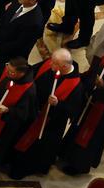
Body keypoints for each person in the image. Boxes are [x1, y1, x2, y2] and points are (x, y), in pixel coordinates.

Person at [7, 49, 84, 179]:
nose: (50, 65)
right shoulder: (51, 65)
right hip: (33, 112)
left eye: (54, 63)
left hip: (49, 123)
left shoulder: (76, 86)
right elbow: (33, 72)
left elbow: (72, 111)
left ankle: (26, 168)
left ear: (64, 66)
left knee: (34, 149)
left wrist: (57, 104)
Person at [60, 43, 104, 175]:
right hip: (88, 103)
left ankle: (77, 166)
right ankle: (66, 154)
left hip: (100, 112)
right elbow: (91, 73)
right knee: (76, 128)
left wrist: (103, 87)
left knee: (87, 138)